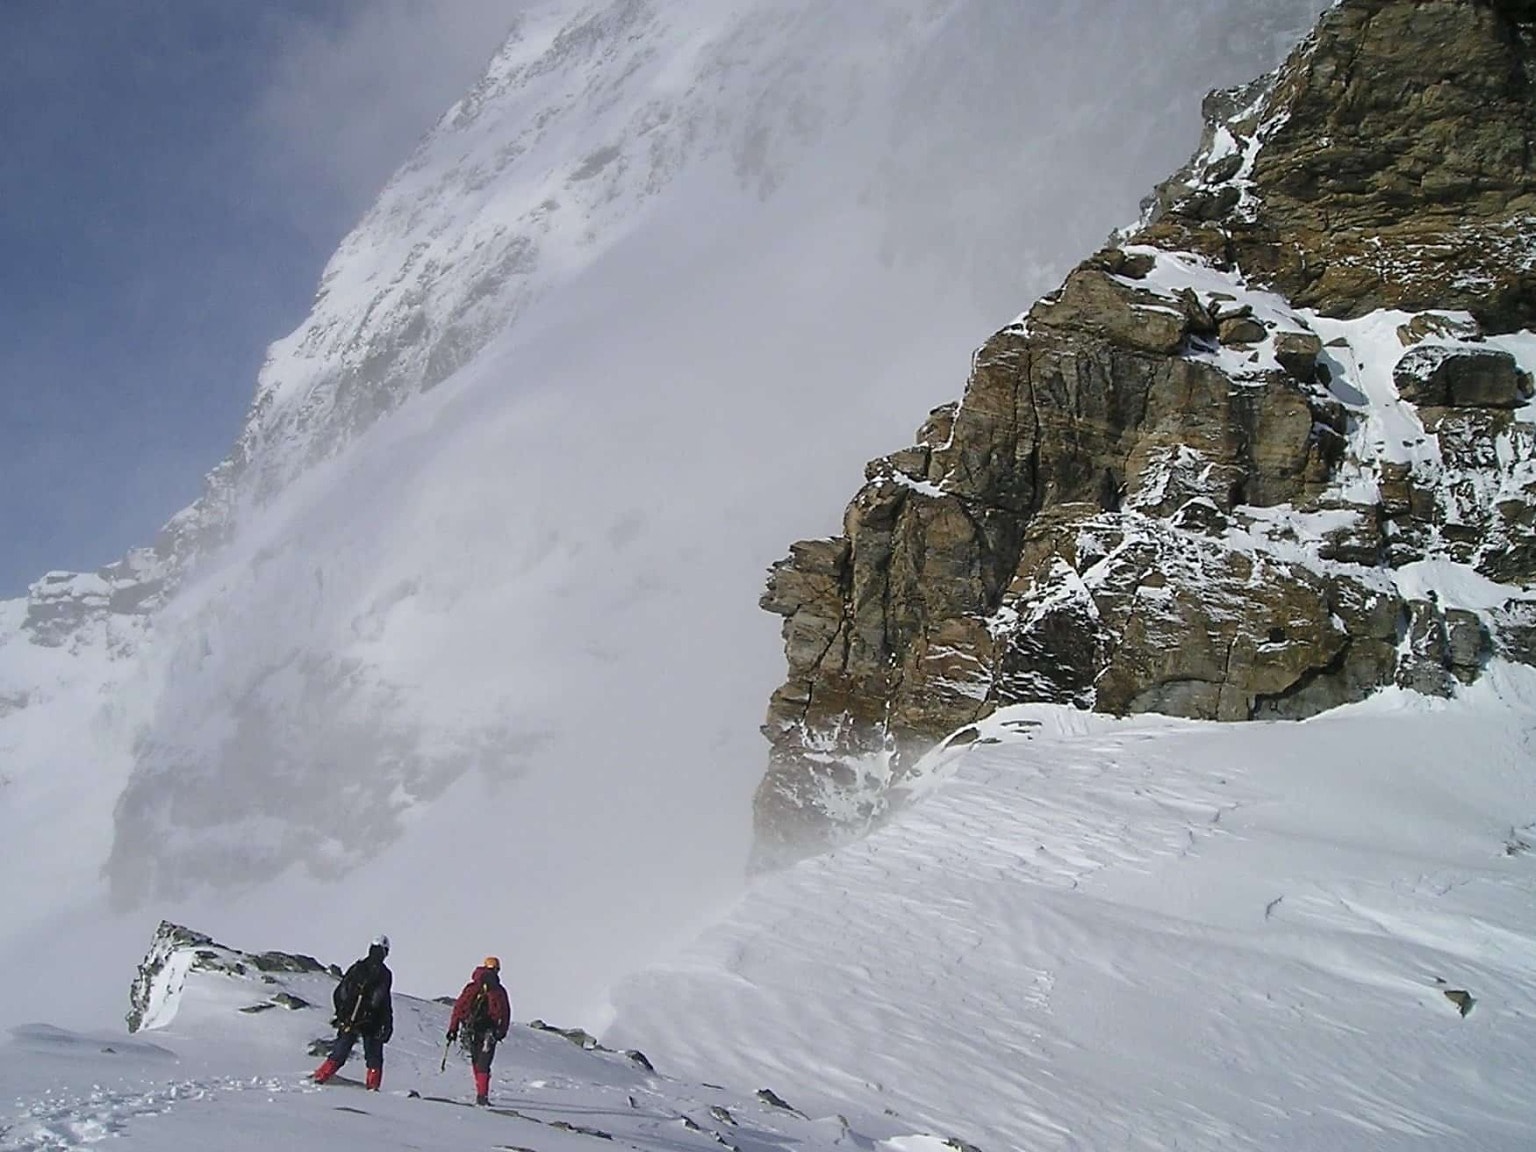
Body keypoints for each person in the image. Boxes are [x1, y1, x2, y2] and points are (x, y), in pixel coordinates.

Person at [312, 935, 394, 1090]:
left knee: (339, 1052)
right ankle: (372, 1088)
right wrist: (387, 1025)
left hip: (350, 1017)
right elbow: (383, 1002)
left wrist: (341, 1013)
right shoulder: (384, 974)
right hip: (371, 1022)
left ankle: (320, 1077)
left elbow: (340, 992)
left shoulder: (357, 967)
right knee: (374, 1058)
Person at [446, 956, 512, 1105]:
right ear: (497, 970)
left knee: (477, 1061)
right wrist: (502, 1031)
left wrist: (453, 1028)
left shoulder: (472, 987)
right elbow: (506, 1012)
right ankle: (482, 1096)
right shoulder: (499, 990)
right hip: (490, 1030)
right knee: (484, 1062)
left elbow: (459, 1008)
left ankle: (480, 1092)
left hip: (471, 1029)